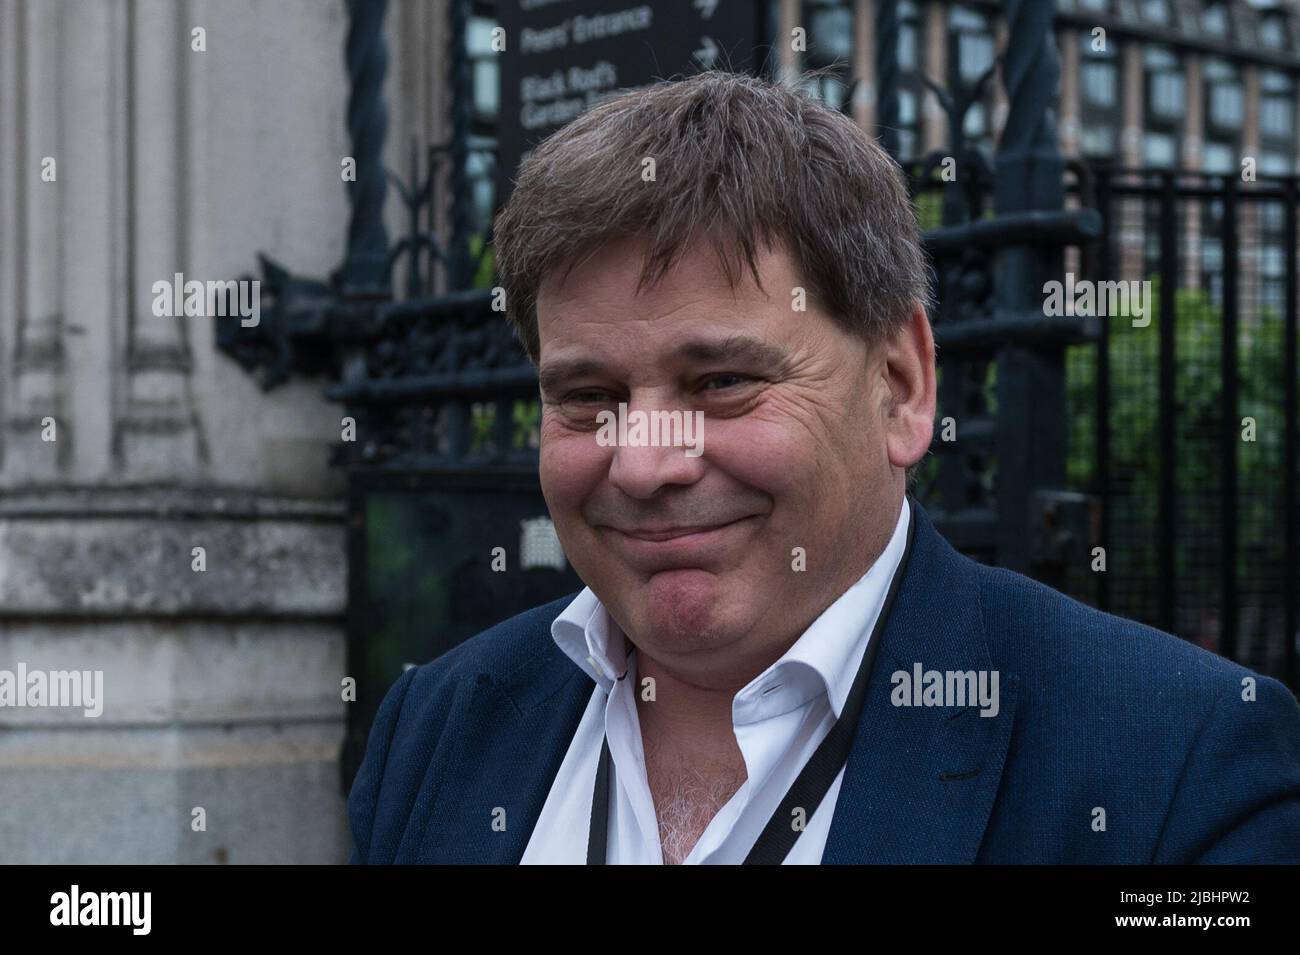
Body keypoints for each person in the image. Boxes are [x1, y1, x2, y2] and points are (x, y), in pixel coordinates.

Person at [347, 71, 1300, 864]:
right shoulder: (432, 726)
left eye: (720, 380)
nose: (641, 463)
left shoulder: (1176, 767)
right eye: (588, 398)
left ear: (901, 385)